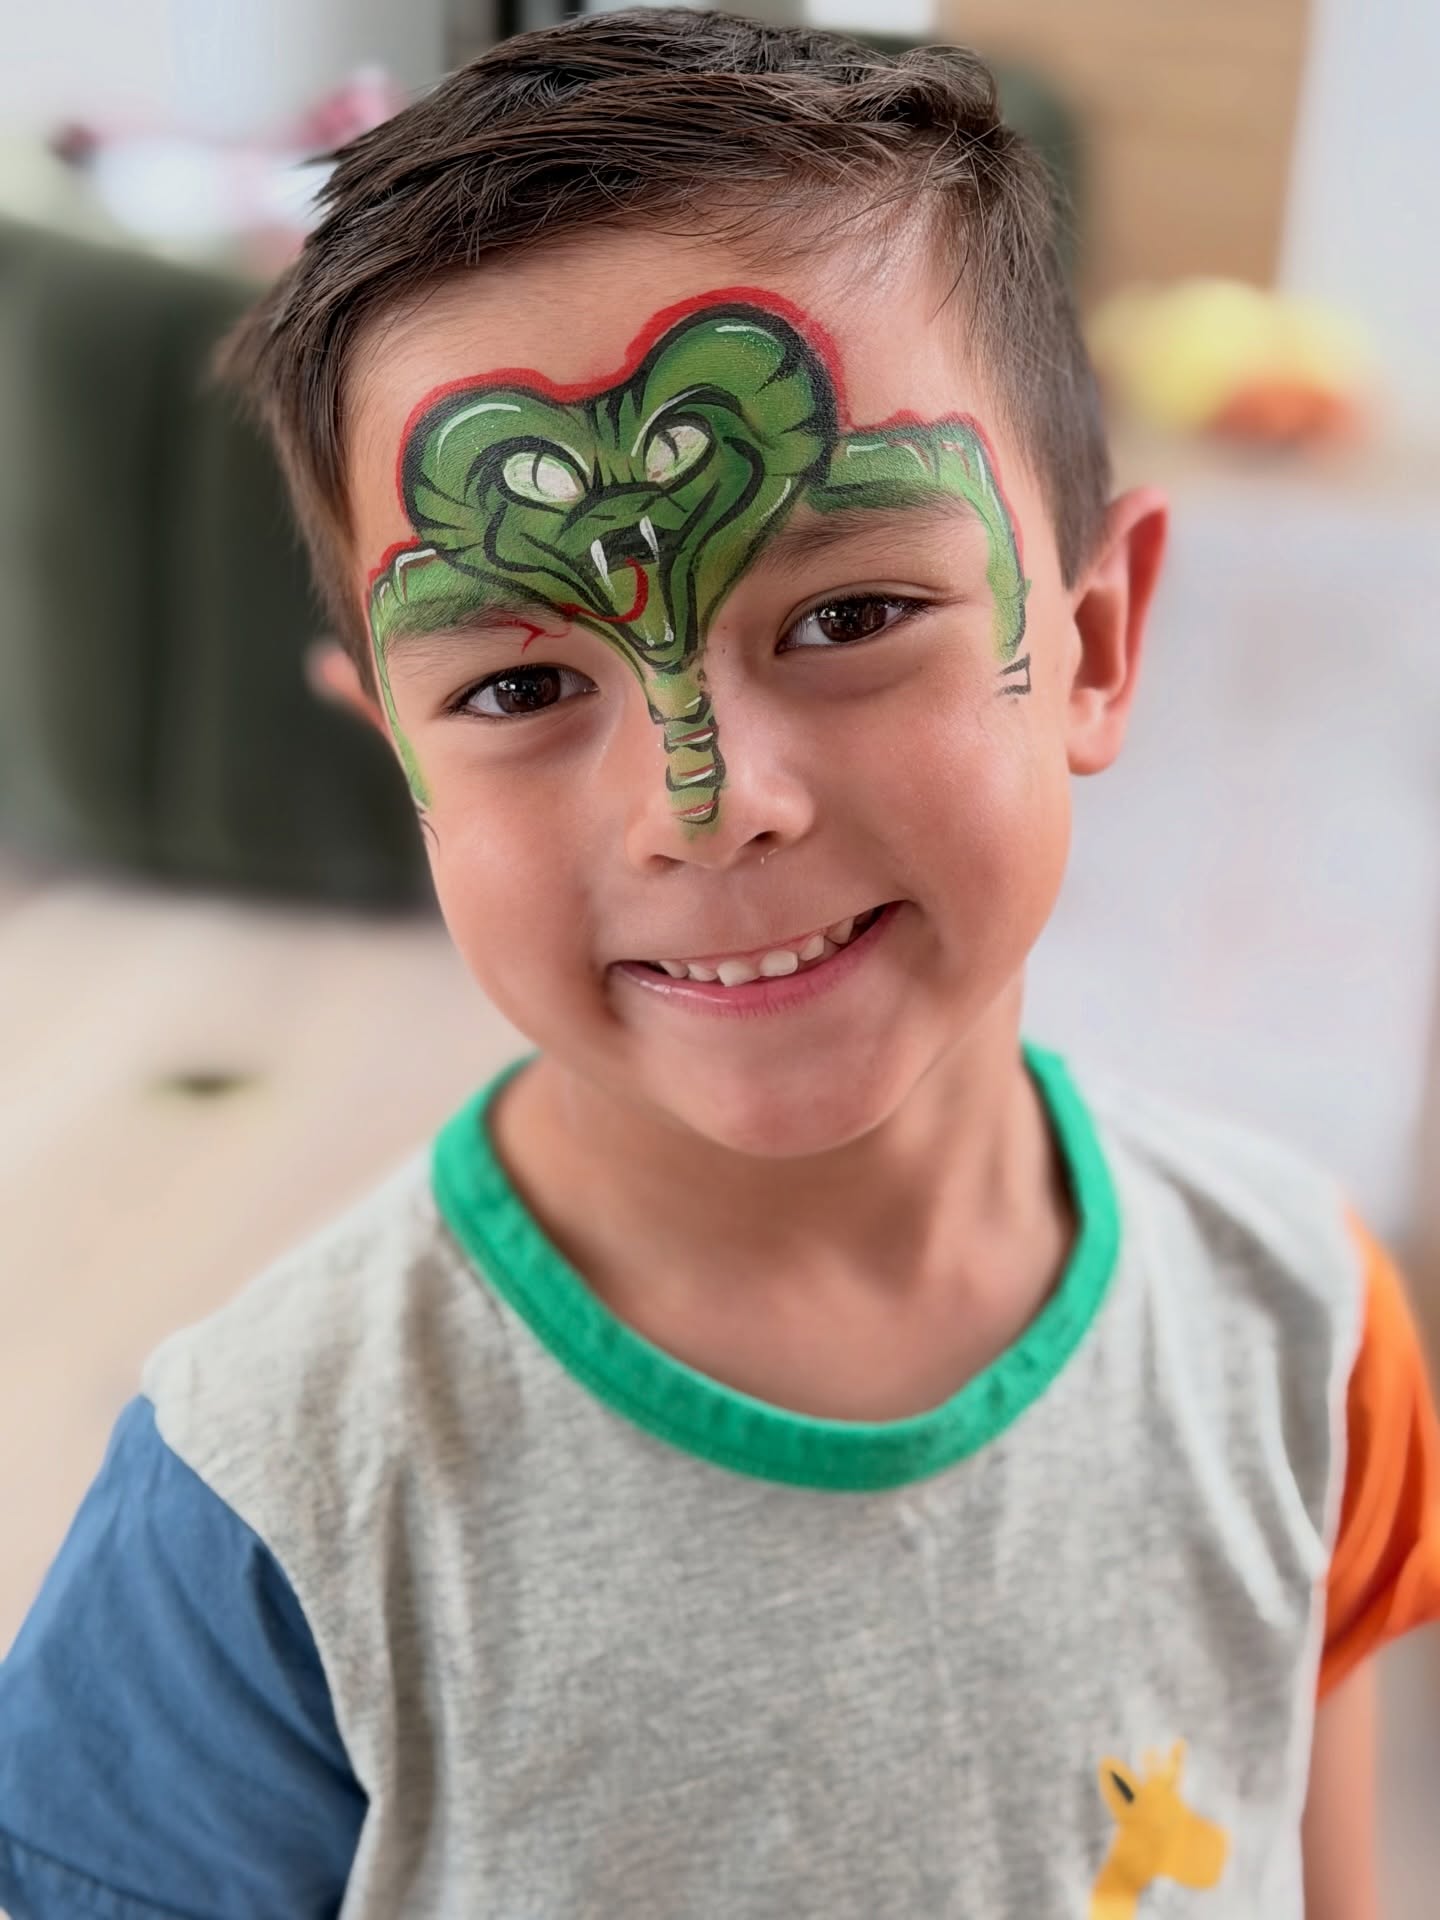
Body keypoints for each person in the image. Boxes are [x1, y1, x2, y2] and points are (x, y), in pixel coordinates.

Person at [2, 12, 1437, 1917]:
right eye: (518, 685)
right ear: (402, 757)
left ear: (1093, 642)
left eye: (848, 612)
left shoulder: (1303, 1333)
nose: (708, 801)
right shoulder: (260, 1525)